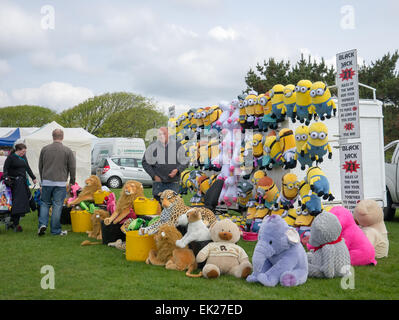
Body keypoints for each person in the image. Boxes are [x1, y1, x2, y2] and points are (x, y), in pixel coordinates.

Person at [37, 129, 76, 236]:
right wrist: (72, 181)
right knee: (57, 205)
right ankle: (55, 230)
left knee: (45, 204)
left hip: (47, 181)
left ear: (52, 136)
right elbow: (72, 167)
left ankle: (42, 225)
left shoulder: (44, 149)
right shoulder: (67, 150)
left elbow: (40, 166)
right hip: (60, 183)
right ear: (62, 137)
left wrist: (42, 179)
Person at [142, 127, 187, 203]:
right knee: (158, 206)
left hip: (173, 182)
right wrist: (154, 176)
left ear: (169, 134)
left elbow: (185, 161)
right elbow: (145, 162)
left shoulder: (177, 145)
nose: (161, 136)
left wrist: (177, 170)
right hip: (158, 183)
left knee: (173, 206)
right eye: (159, 134)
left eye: (164, 134)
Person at [2, 143, 37, 232]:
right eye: (23, 151)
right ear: (18, 150)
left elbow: (27, 168)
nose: (24, 153)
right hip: (14, 183)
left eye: (25, 152)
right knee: (17, 203)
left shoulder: (23, 157)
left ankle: (15, 222)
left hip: (22, 183)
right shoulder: (11, 158)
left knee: (23, 202)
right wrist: (6, 178)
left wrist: (33, 177)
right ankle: (15, 223)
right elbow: (5, 169)